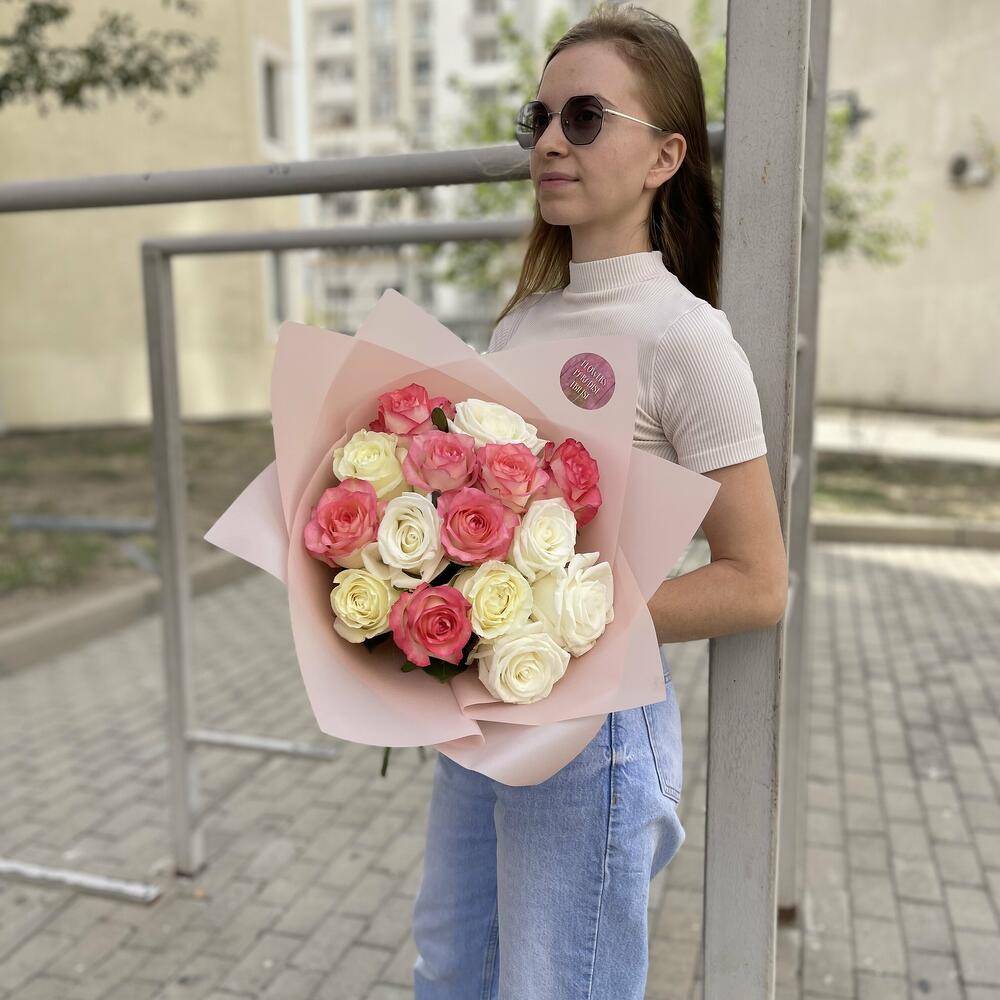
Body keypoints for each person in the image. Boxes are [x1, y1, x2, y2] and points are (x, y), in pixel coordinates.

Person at [411, 5, 789, 998]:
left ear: (665, 155)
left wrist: (568, 617)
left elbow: (757, 583)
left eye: (583, 118)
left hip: (598, 728)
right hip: (489, 703)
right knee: (450, 970)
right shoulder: (524, 319)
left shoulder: (687, 340)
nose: (548, 142)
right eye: (536, 118)